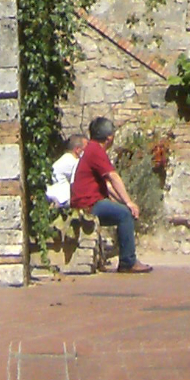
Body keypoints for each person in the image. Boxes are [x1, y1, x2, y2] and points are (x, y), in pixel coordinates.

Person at [74, 116, 146, 275]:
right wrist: (128, 204)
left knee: (124, 210)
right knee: (124, 215)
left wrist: (126, 202)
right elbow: (113, 177)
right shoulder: (95, 150)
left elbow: (107, 185)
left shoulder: (92, 149)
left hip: (89, 202)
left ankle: (124, 256)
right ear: (109, 137)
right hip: (89, 204)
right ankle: (128, 262)